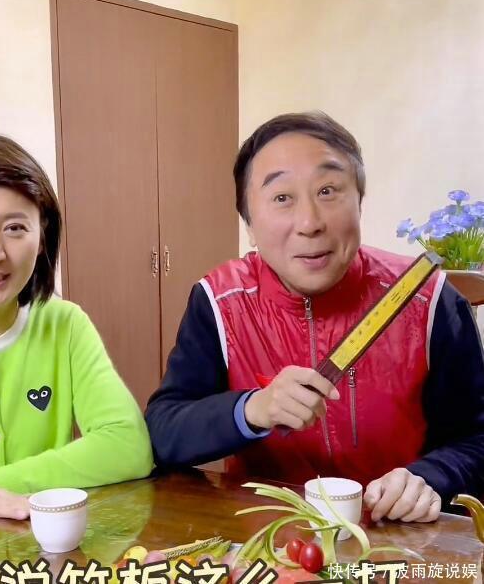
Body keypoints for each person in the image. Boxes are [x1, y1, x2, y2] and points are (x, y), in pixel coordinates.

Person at [146, 112, 484, 524]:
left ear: (359, 202)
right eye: (282, 198)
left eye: (328, 191)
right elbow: (164, 432)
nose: (310, 223)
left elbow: (476, 438)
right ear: (249, 224)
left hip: (399, 537)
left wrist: (430, 477)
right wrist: (251, 409)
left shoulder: (428, 299)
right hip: (267, 539)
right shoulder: (218, 301)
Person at [0, 135, 153, 538]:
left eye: (15, 228)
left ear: (42, 236)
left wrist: (2, 483)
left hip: (45, 559)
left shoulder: (64, 324)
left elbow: (128, 445)